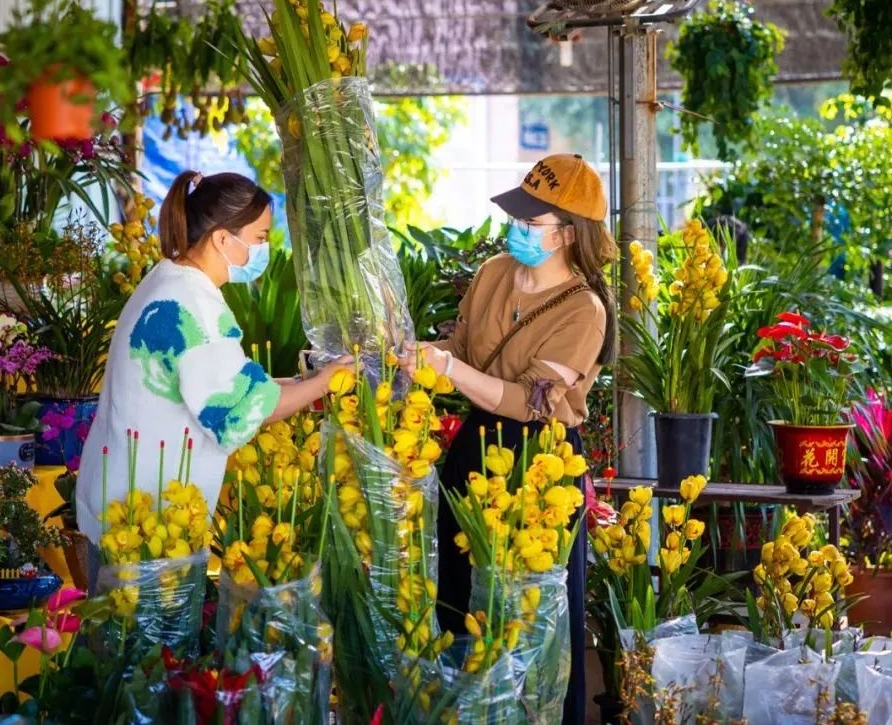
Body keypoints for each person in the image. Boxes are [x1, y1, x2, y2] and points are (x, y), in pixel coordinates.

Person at [400, 154, 618, 725]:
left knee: (532, 614)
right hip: (476, 450)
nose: (517, 230)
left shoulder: (585, 310)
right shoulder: (494, 272)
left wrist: (450, 370)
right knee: (459, 594)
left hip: (540, 465)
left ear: (568, 234)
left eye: (531, 222)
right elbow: (462, 351)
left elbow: (531, 402)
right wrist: (412, 357)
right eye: (516, 217)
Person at [76, 170, 349, 558]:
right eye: (260, 238)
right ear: (222, 238)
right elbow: (242, 410)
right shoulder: (194, 306)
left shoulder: (170, 278)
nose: (263, 250)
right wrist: (328, 382)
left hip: (122, 506)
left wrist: (303, 381)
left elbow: (231, 385)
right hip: (144, 530)